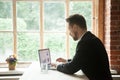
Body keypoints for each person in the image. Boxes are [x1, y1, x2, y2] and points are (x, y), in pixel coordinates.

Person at [52, 14, 113, 80]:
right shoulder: (90, 38)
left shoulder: (85, 43)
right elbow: (81, 60)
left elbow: (71, 68)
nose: (69, 33)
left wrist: (57, 65)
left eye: (69, 29)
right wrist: (66, 61)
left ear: (75, 27)